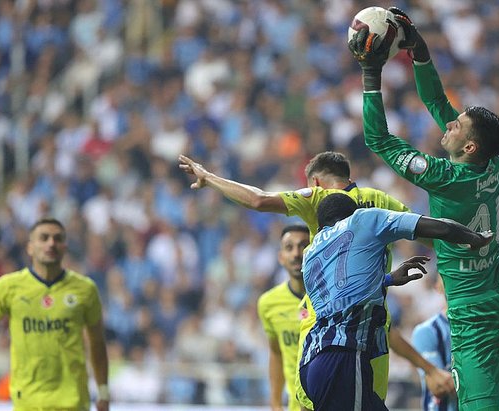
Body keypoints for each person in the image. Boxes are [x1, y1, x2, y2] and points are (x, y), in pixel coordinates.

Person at [178, 152, 454, 409]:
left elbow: (258, 199)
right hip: (372, 334)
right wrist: (465, 246)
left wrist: (210, 178)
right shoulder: (381, 201)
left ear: (316, 181)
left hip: (325, 334)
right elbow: (426, 233)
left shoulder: (317, 197)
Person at [349, 8, 499, 409]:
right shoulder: (489, 163)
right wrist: (418, 50)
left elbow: (379, 140)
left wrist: (372, 73)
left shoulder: (446, 176)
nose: (450, 125)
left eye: (457, 126)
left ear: (468, 148)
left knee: (479, 404)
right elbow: (437, 100)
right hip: (494, 296)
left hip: (472, 313)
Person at [299, 193, 492, 410]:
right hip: (343, 356)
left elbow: (341, 294)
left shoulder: (310, 253)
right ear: (352, 212)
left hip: (312, 362)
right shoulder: (362, 218)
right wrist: (473, 238)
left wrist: (388, 279)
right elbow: (437, 227)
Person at [0, 218, 109, 410]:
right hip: (27, 400)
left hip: (73, 400)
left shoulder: (85, 289)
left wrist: (103, 391)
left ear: (65, 247)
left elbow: (97, 344)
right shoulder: (7, 287)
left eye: (58, 238)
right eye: (44, 238)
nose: (51, 243)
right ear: (30, 247)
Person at [258, 225, 310, 411]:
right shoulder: (269, 303)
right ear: (281, 257)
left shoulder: (333, 298)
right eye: (289, 247)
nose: (297, 253)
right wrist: (275, 403)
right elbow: (276, 352)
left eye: (304, 245)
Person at [412, 278, 455, 411]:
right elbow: (438, 387)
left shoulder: (489, 327)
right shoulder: (427, 331)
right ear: (437, 286)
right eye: (446, 275)